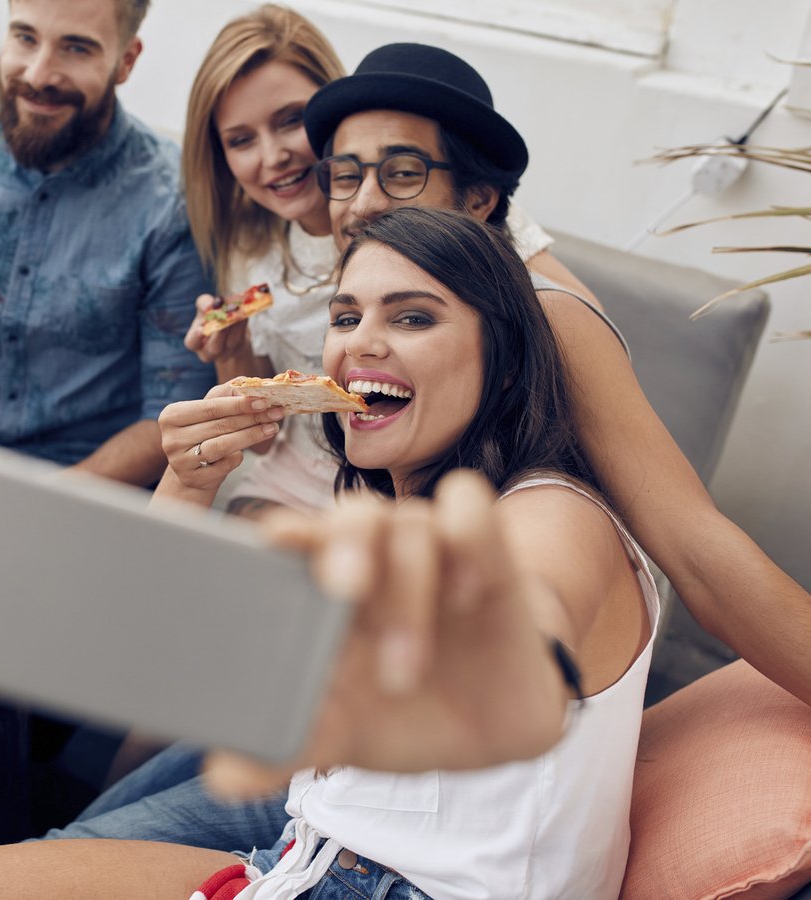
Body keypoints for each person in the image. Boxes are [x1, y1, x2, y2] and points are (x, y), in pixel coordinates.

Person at [41, 30, 809, 851]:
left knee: (87, 838)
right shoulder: (359, 321)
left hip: (445, 755)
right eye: (347, 175)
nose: (366, 201)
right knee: (95, 812)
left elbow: (697, 554)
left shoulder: (542, 320)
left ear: (479, 200)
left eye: (402, 172)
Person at [0, 207, 660, 900]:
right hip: (312, 851)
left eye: (413, 316)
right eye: (346, 315)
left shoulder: (552, 511)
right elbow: (146, 647)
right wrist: (187, 483)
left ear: (503, 363)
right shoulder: (386, 504)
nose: (362, 339)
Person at [177, 7, 604, 519]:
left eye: (291, 121)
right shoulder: (252, 250)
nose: (274, 156)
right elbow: (268, 436)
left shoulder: (453, 209)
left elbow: (570, 317)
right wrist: (235, 349)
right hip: (314, 472)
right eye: (241, 140)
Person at [0, 0, 216, 486]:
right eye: (25, 37)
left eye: (76, 48)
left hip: (89, 484)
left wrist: (33, 511)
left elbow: (170, 417)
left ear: (126, 61)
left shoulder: (173, 203)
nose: (38, 74)